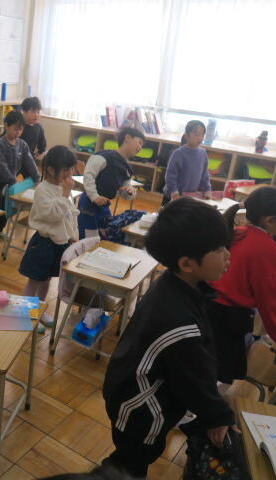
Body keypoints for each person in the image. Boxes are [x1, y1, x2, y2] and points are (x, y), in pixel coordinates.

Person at [102, 198, 235, 478]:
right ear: (187, 264)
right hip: (141, 408)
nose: (228, 255)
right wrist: (219, 416)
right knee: (131, 463)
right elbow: (195, 380)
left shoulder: (174, 284)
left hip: (132, 390)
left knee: (130, 458)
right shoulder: (178, 320)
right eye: (219, 249)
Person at [210, 187, 276, 388]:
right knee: (215, 370)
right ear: (270, 220)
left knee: (201, 363)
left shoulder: (236, 232)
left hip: (205, 305)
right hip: (228, 319)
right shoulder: (268, 251)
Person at [19, 146, 78, 331]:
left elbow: (68, 214)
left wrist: (73, 235)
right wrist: (66, 195)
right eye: (66, 169)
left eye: (71, 169)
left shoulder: (62, 188)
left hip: (59, 244)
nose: (70, 173)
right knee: (35, 280)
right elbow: (52, 215)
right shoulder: (43, 190)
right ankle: (26, 315)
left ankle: (38, 310)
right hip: (43, 244)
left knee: (46, 281)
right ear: (51, 170)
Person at [0, 109, 40, 243]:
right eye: (15, 129)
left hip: (10, 183)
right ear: (6, 126)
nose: (18, 132)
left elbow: (29, 161)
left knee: (6, 208)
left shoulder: (22, 144)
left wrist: (36, 177)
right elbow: (1, 165)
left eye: (21, 129)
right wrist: (13, 180)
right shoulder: (0, 144)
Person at [77, 127, 144, 239]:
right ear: (127, 138)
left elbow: (124, 192)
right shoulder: (104, 156)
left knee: (104, 236)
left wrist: (130, 192)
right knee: (88, 239)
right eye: (139, 142)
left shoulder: (128, 168)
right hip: (89, 203)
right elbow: (88, 176)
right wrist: (94, 196)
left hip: (104, 206)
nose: (140, 148)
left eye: (142, 145)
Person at [162, 120, 211, 204]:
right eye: (196, 134)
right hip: (173, 196)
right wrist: (174, 193)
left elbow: (205, 175)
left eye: (202, 134)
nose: (200, 138)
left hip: (189, 197)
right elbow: (170, 176)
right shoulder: (178, 153)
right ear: (187, 136)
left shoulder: (203, 153)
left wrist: (207, 190)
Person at [20, 96, 47, 162]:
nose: (36, 115)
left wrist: (40, 153)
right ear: (24, 112)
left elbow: (42, 146)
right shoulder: (17, 125)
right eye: (33, 111)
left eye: (38, 112)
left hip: (29, 161)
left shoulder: (38, 127)